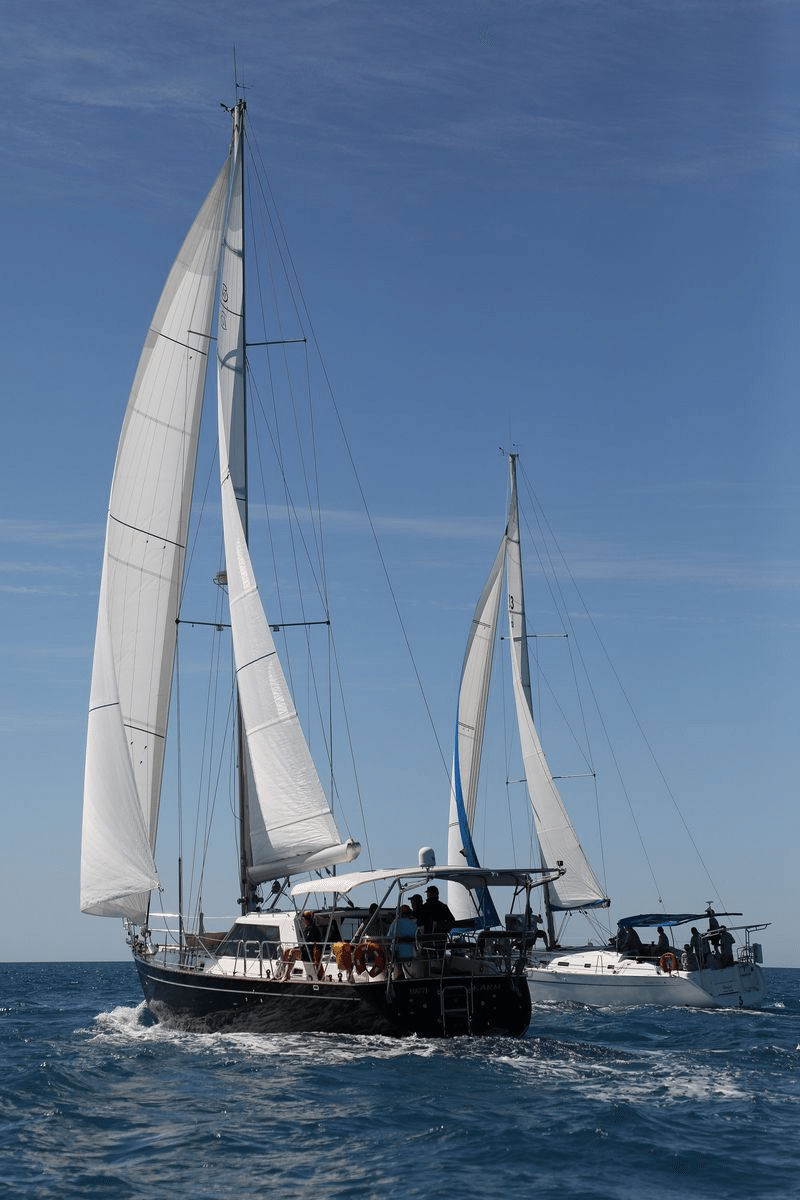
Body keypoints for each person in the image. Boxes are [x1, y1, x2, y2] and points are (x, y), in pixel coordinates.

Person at [387, 904, 418, 977]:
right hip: (412, 954)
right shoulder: (414, 923)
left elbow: (389, 938)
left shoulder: (395, 923)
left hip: (398, 956)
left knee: (391, 949)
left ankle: (397, 973)